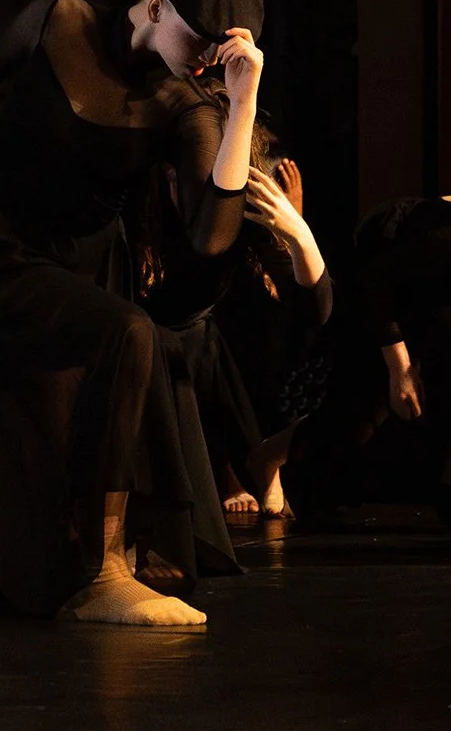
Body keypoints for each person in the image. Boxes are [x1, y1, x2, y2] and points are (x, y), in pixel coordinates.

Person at [0, 0, 265, 626]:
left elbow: (212, 239)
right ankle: (102, 575)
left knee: (57, 472)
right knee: (129, 335)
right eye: (203, 40)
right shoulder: (57, 18)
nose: (211, 60)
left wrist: (240, 105)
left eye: (224, 49)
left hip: (80, 281)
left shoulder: (184, 106)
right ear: (156, 5)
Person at [258, 196, 451, 532]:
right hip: (382, 267)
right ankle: (271, 456)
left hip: (447, 286)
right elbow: (375, 280)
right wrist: (399, 367)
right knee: (375, 407)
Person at [136, 136, 330, 522]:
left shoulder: (234, 204)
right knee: (187, 335)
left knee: (225, 326)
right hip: (146, 341)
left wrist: (297, 233)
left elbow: (314, 309)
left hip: (204, 338)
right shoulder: (142, 201)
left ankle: (254, 462)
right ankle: (229, 473)